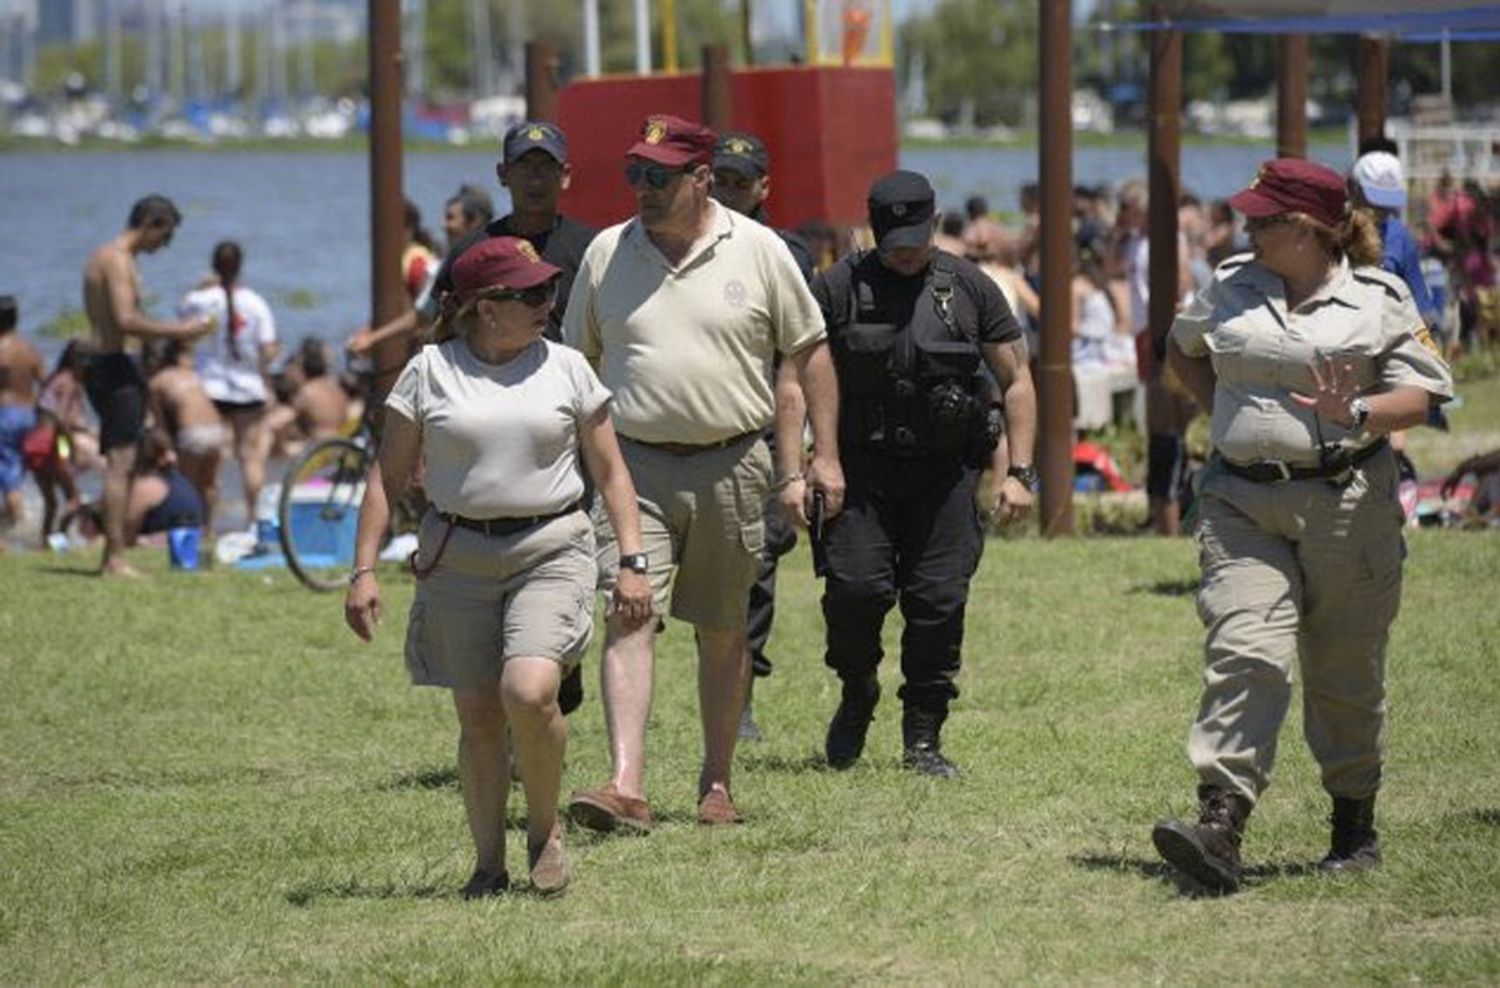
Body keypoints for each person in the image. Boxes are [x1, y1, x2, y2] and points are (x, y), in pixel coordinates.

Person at [1153, 158, 1454, 893]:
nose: (1248, 227)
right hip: (1240, 501)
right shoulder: (1229, 283)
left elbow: (1423, 395)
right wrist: (1223, 415)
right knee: (1244, 649)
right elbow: (1179, 349)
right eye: (1249, 216)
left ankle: (1353, 825)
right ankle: (1220, 822)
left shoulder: (1377, 298)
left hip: (1345, 501)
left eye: (1265, 219)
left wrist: (1353, 414)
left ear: (1311, 228)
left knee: (1344, 672)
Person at [343, 236, 652, 898]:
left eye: (550, 290)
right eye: (532, 294)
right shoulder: (429, 371)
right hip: (458, 553)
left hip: (552, 545)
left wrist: (631, 559)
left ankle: (545, 834)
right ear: (486, 307)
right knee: (479, 713)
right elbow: (386, 476)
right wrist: (363, 570)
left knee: (530, 690)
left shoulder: (568, 367)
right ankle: (488, 863)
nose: (548, 303)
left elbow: (611, 471)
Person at [563, 114, 844, 829]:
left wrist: (823, 457)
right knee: (629, 612)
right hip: (634, 468)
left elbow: (809, 352)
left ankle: (716, 783)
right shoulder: (605, 253)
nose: (643, 190)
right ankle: (625, 783)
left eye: (660, 176)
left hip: (734, 462)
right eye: (635, 175)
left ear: (701, 179)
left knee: (723, 629)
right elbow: (576, 367)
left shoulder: (758, 250)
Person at [810, 169, 1037, 778]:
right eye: (893, 240)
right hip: (862, 474)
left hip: (943, 477)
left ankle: (923, 737)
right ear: (872, 231)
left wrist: (1019, 472)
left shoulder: (970, 288)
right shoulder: (837, 286)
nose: (906, 250)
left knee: (939, 603)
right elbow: (804, 372)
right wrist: (819, 457)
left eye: (916, 236)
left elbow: (1016, 380)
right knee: (855, 593)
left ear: (936, 225)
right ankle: (858, 688)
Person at [709, 129, 813, 740]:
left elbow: (803, 352)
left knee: (759, 564)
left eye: (739, 183)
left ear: (763, 189)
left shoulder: (788, 254)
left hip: (766, 431)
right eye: (719, 180)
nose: (727, 192)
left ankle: (740, 697)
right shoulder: (678, 244)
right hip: (701, 426)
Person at [81, 194, 215, 576]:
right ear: (150, 224)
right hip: (113, 364)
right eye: (165, 235)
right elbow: (125, 320)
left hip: (102, 364)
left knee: (120, 462)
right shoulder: (118, 261)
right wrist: (182, 331)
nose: (164, 245)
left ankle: (113, 553)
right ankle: (114, 559)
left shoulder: (100, 255)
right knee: (121, 465)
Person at [179, 241, 279, 531]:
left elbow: (181, 330)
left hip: (209, 389)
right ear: (240, 266)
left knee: (210, 461)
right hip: (248, 389)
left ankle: (205, 525)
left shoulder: (199, 300)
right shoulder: (256, 302)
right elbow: (268, 350)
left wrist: (203, 285)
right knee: (250, 458)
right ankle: (253, 523)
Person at [345, 185, 494, 359]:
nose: (443, 225)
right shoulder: (442, 265)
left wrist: (372, 338)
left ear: (474, 221)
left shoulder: (421, 265)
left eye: (450, 218)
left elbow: (419, 317)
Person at [145, 339, 226, 534]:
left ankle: (188, 528)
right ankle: (209, 528)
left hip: (193, 433)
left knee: (186, 484)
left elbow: (160, 427)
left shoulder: (157, 382)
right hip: (217, 430)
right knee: (209, 484)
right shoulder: (192, 374)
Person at [24, 340, 93, 548]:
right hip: (56, 443)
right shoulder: (70, 382)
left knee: (51, 503)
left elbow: (43, 411)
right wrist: (71, 449)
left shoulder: (53, 379)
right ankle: (60, 543)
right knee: (74, 498)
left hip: (34, 442)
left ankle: (44, 543)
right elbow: (61, 420)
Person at [0, 295, 44, 531]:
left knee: (8, 479)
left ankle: (18, 529)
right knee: (16, 472)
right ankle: (10, 526)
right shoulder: (29, 350)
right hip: (29, 416)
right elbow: (46, 384)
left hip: (4, 416)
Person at [125, 429, 205, 547]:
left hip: (164, 542)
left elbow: (126, 532)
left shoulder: (147, 486)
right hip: (193, 538)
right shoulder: (180, 480)